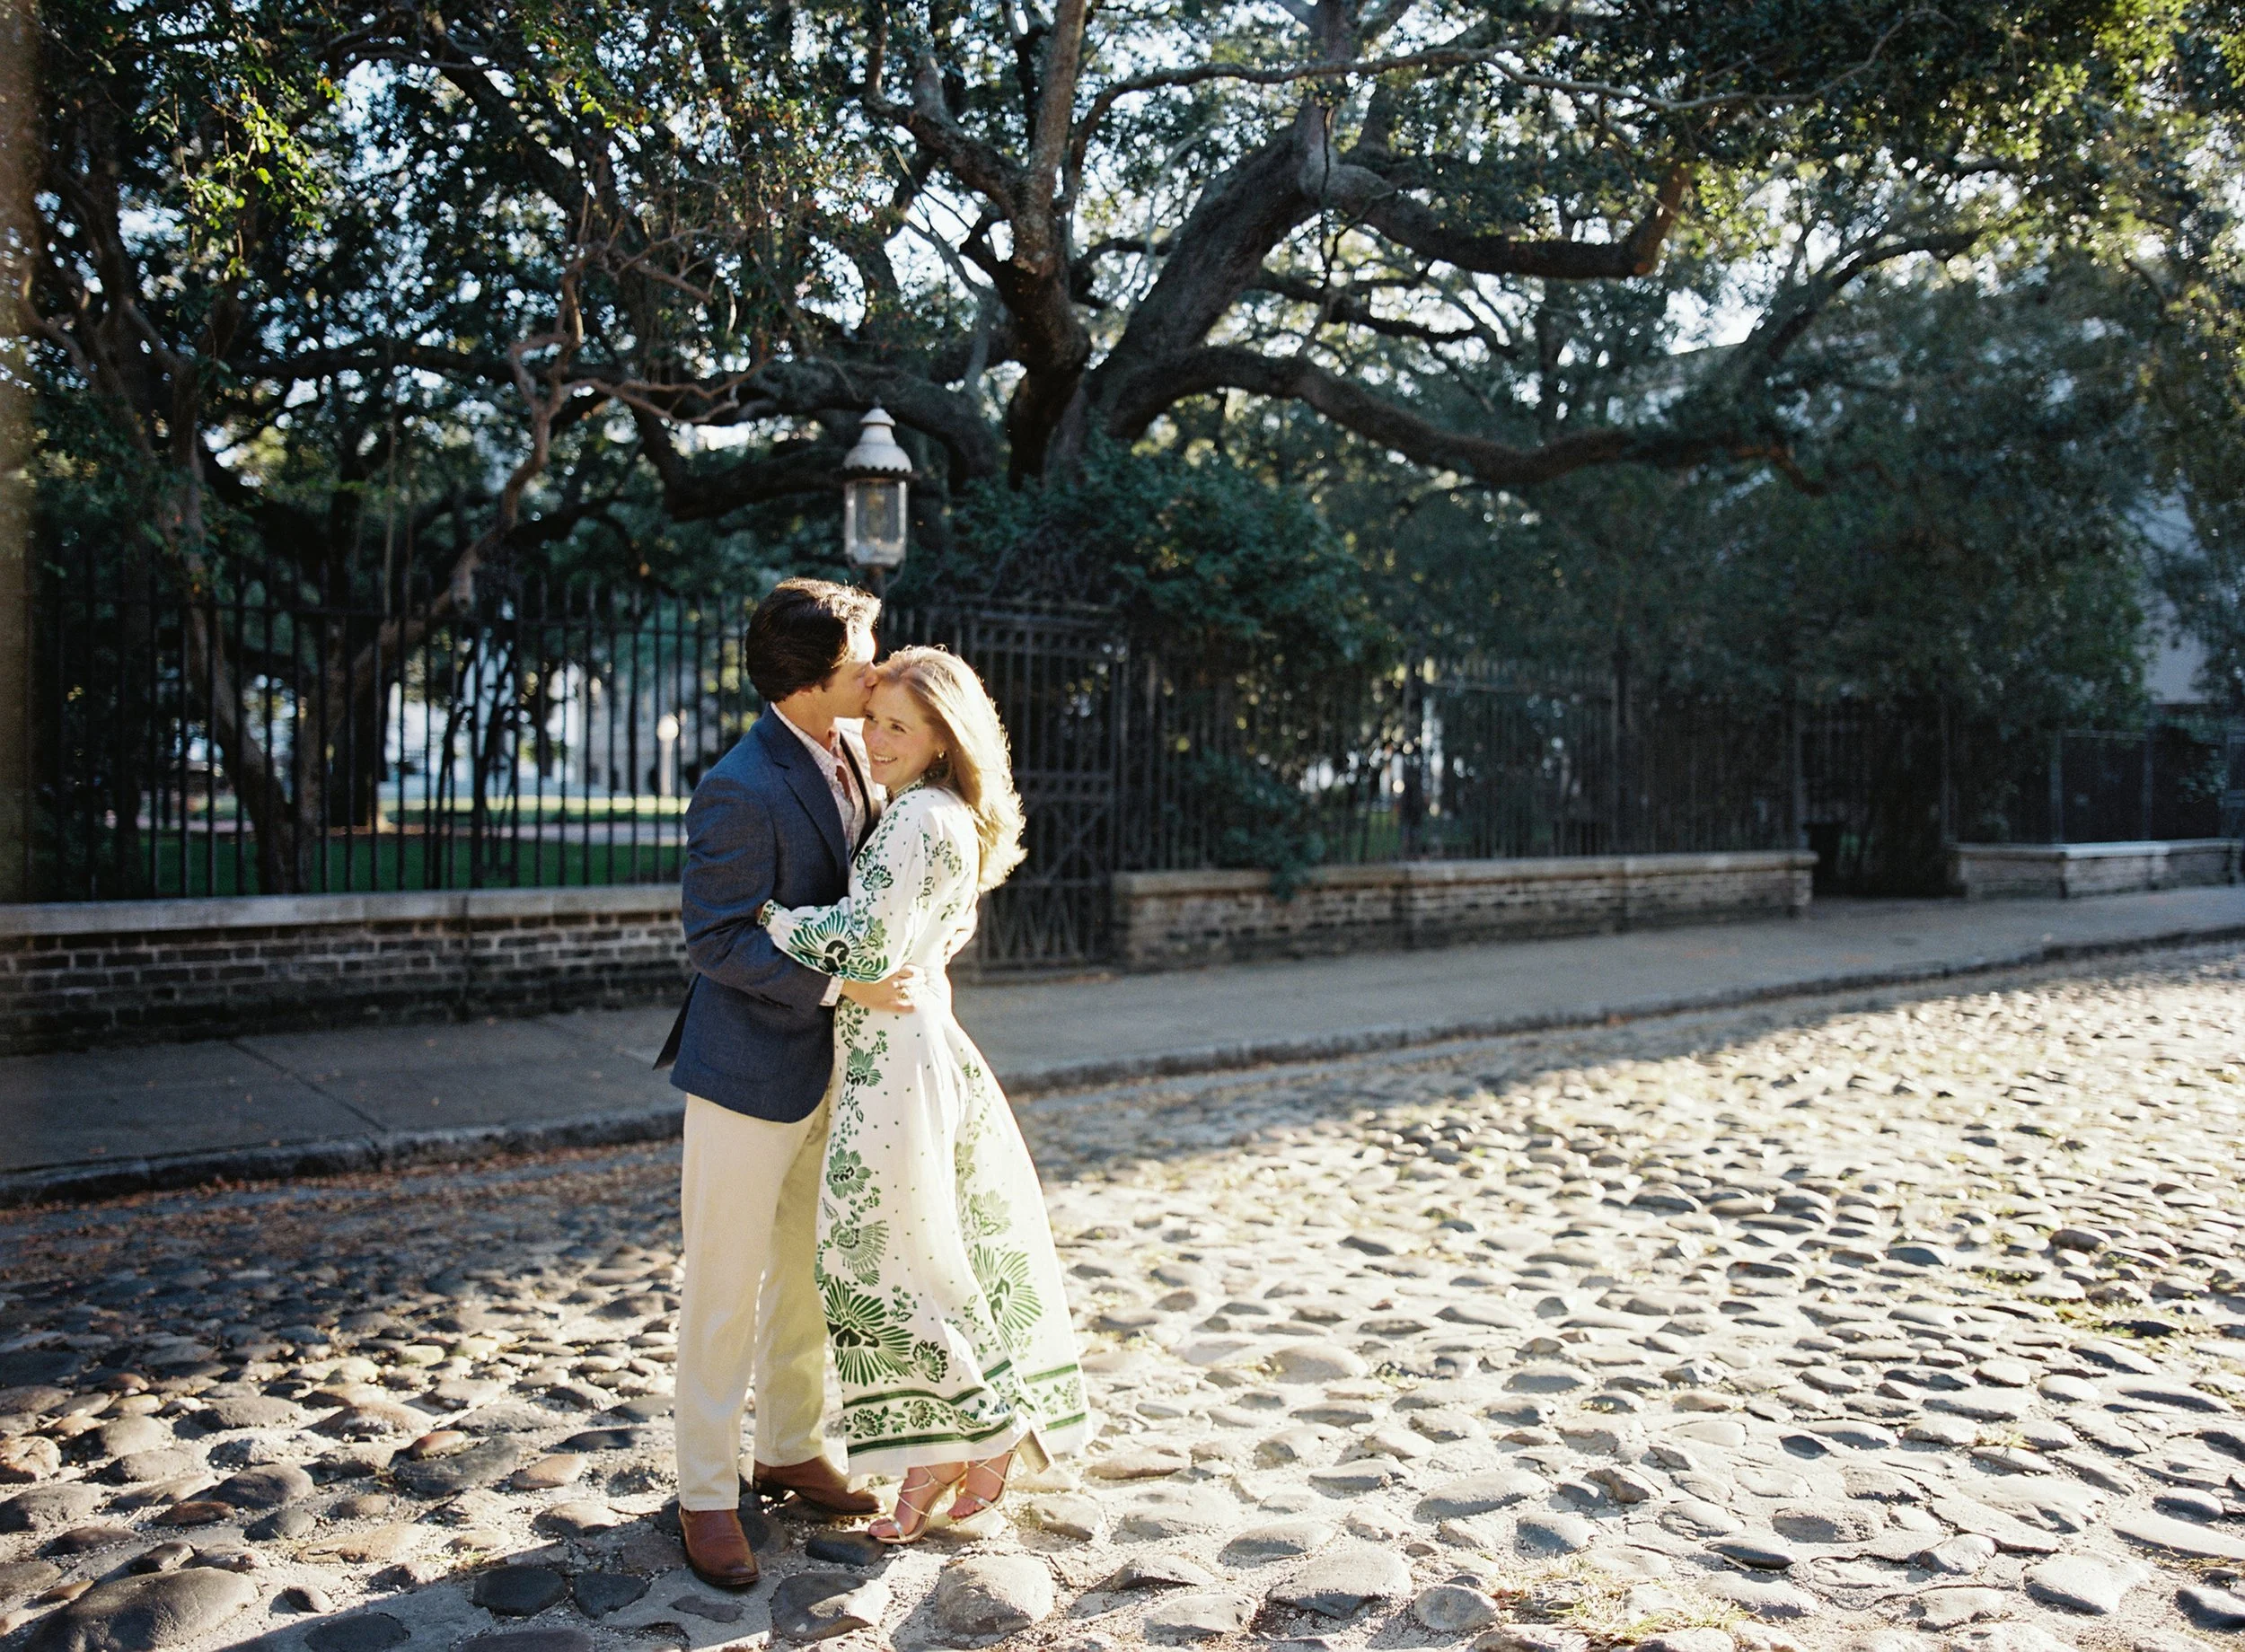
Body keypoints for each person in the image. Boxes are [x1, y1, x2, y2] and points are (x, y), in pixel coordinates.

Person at [761, 646, 1093, 1542]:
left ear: (943, 737)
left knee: (883, 1265)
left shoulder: (914, 819)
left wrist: (770, 916)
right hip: (910, 1052)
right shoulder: (941, 812)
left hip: (893, 1070)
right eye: (873, 720)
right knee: (920, 1255)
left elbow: (867, 946)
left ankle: (974, 1435)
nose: (875, 739)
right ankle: (949, 1448)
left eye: (899, 727)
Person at [659, 578, 920, 1589]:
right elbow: (715, 938)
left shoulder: (860, 748)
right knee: (724, 1287)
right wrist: (839, 983)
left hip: (838, 1072)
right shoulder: (740, 783)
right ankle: (705, 1492)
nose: (878, 669)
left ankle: (791, 1445)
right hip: (745, 1072)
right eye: (862, 657)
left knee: (811, 1271)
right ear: (812, 680)